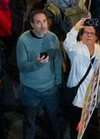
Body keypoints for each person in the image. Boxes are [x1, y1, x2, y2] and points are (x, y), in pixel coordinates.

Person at [62, 17, 100, 139]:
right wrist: (76, 27)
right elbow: (67, 44)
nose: (88, 36)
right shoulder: (76, 50)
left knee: (91, 131)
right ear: (81, 35)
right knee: (76, 132)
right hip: (77, 101)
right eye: (85, 33)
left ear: (96, 37)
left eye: (92, 33)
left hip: (92, 104)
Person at [16, 8, 62, 139]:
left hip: (50, 89)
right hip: (31, 90)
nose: (43, 26)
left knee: (52, 121)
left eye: (44, 21)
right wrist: (37, 63)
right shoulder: (23, 40)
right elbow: (21, 67)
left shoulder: (53, 38)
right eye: (38, 22)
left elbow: (57, 62)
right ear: (32, 24)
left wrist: (58, 82)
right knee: (30, 123)